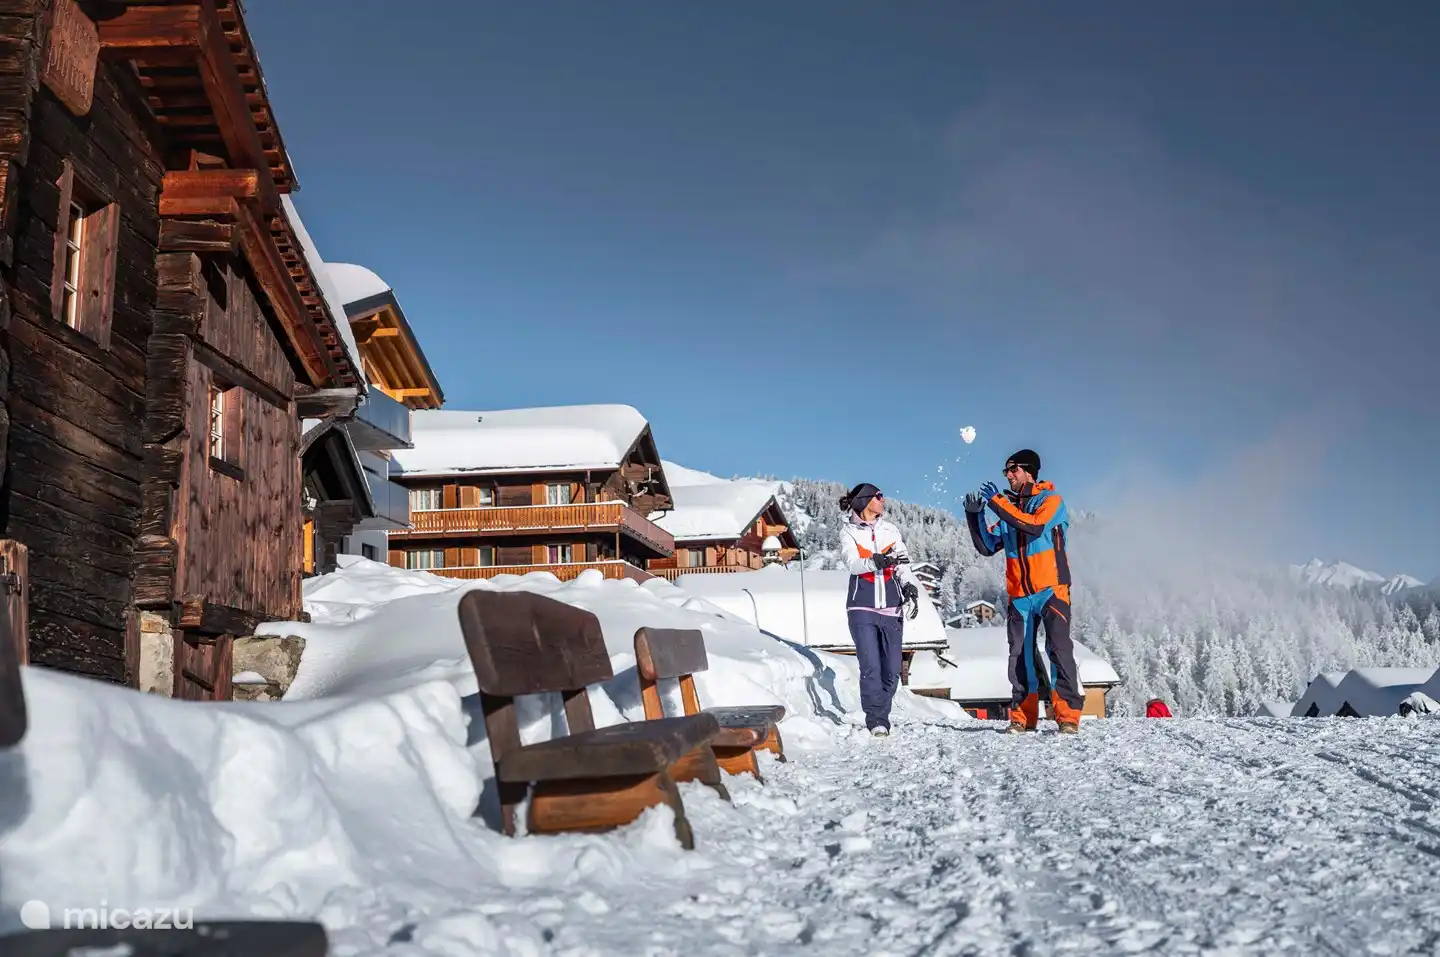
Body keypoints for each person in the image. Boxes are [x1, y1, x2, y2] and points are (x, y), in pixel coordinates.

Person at [963, 449, 1085, 734]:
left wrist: (996, 502)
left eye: (1013, 469)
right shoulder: (1008, 510)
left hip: (1051, 589)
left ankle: (1067, 716)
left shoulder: (1050, 501)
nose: (1008, 474)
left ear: (1029, 471)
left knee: (1058, 649)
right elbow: (987, 546)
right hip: (1020, 595)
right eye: (1006, 470)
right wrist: (975, 516)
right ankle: (1022, 717)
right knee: (1019, 656)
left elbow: (1032, 526)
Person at [838, 482, 922, 737]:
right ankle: (877, 719)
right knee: (871, 666)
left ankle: (880, 713)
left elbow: (903, 564)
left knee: (892, 669)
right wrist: (876, 561)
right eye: (878, 496)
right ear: (865, 502)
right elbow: (852, 563)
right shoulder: (848, 532)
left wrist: (909, 586)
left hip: (892, 607)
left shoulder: (890, 530)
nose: (883, 500)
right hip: (861, 606)